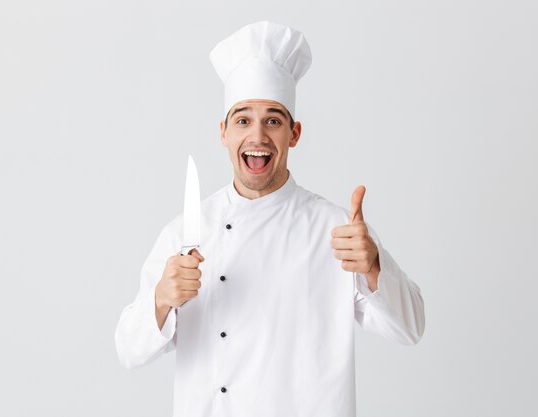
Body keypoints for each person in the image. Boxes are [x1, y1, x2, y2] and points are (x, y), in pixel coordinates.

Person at [115, 20, 425, 417]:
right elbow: (128, 350)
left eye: (273, 121)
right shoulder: (187, 231)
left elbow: (411, 328)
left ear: (294, 134)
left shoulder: (338, 231)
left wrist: (375, 266)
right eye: (243, 120)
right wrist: (161, 301)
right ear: (223, 132)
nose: (258, 136)